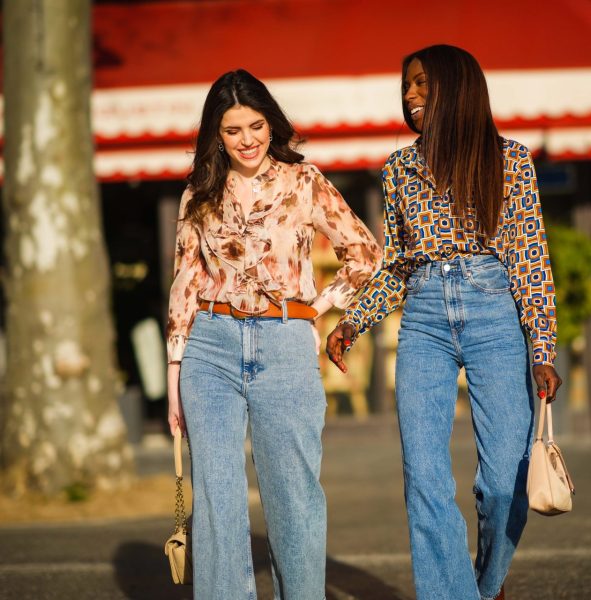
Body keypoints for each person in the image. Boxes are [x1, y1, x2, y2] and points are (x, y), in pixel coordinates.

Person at [327, 45, 561, 600]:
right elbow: (398, 265)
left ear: (457, 89)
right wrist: (353, 322)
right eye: (406, 86)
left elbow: (530, 260)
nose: (410, 95)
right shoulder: (398, 169)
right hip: (424, 321)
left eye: (422, 85)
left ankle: (486, 584)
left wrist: (542, 349)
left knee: (504, 481)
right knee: (425, 479)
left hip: (493, 313)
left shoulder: (510, 161)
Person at [166, 69, 381, 600]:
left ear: (271, 123)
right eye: (233, 130)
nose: (247, 140)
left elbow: (365, 253)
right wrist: (174, 374)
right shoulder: (199, 191)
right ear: (216, 135)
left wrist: (316, 309)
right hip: (209, 346)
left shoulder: (304, 181)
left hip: (285, 342)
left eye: (256, 126)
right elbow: (185, 282)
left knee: (293, 496)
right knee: (216, 500)